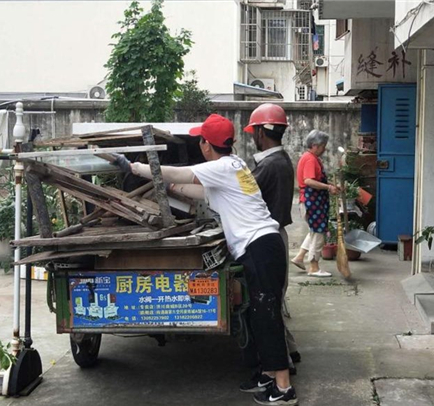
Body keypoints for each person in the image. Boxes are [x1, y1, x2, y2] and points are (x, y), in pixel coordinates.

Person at [112, 114, 298, 405]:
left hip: (260, 247)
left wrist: (133, 167)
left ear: (206, 144)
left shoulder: (221, 167)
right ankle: (268, 374)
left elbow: (180, 174)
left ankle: (284, 388)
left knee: (266, 314)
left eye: (200, 139)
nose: (199, 144)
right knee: (256, 315)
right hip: (262, 246)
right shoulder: (234, 167)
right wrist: (169, 189)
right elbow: (197, 190)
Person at [243, 103, 301, 376]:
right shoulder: (282, 160)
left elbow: (241, 196)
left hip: (267, 239)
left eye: (254, 130)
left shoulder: (268, 165)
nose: (252, 135)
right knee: (276, 301)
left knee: (269, 305)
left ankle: (281, 365)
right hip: (277, 236)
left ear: (260, 132)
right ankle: (290, 350)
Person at [291, 130, 339, 277]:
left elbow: (317, 179)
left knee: (315, 231)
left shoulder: (311, 158)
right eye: (323, 146)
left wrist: (331, 184)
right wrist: (328, 187)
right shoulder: (310, 159)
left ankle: (299, 257)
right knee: (319, 233)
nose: (324, 149)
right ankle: (314, 266)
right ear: (315, 145)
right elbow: (309, 181)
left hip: (312, 201)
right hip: (312, 201)